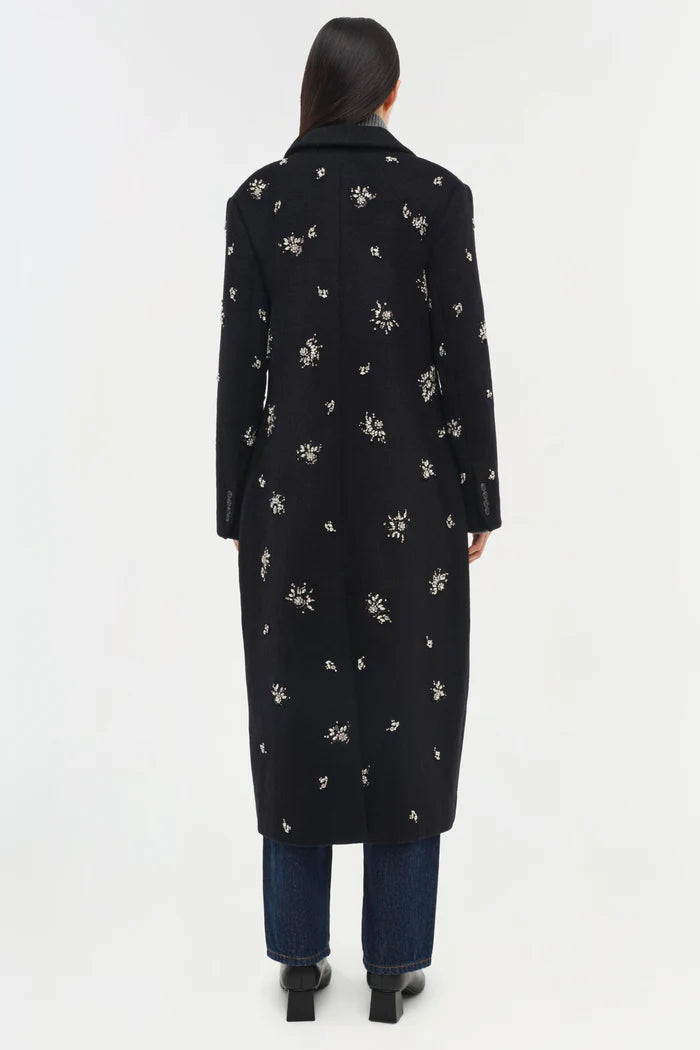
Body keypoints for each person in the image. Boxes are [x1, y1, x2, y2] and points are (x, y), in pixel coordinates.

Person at [215, 16, 502, 1023]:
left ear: (315, 91)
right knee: (410, 714)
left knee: (293, 716)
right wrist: (480, 496)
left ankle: (300, 963)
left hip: (285, 510)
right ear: (390, 93)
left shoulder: (258, 201)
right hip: (412, 502)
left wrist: (233, 504)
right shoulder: (437, 198)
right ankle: (393, 965)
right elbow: (463, 354)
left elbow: (241, 367)